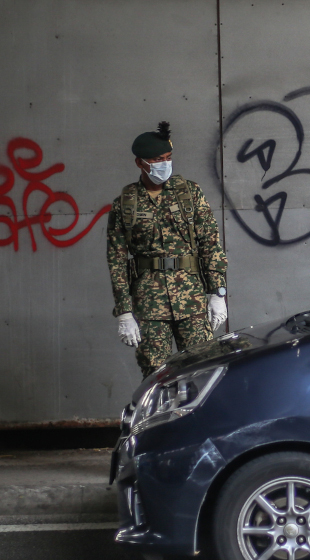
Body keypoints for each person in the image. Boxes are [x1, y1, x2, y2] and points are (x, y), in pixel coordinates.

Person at [106, 121, 229, 378]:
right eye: (156, 159)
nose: (164, 164)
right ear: (140, 163)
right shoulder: (125, 204)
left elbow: (210, 243)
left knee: (202, 368)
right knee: (155, 375)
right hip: (149, 305)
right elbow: (116, 260)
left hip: (191, 300)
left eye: (168, 158)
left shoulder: (190, 193)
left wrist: (217, 293)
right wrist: (124, 311)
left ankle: (198, 419)